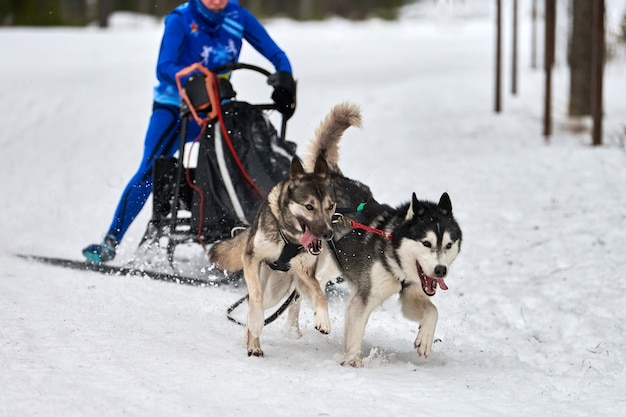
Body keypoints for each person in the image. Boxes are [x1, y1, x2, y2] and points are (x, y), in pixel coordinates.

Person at [83, 0, 295, 263]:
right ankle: (110, 240)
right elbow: (164, 67)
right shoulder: (180, 19)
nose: (217, 2)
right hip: (175, 107)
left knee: (243, 161)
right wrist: (190, 75)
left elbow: (277, 54)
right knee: (150, 169)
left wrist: (284, 76)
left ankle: (256, 233)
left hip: (216, 108)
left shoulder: (237, 16)